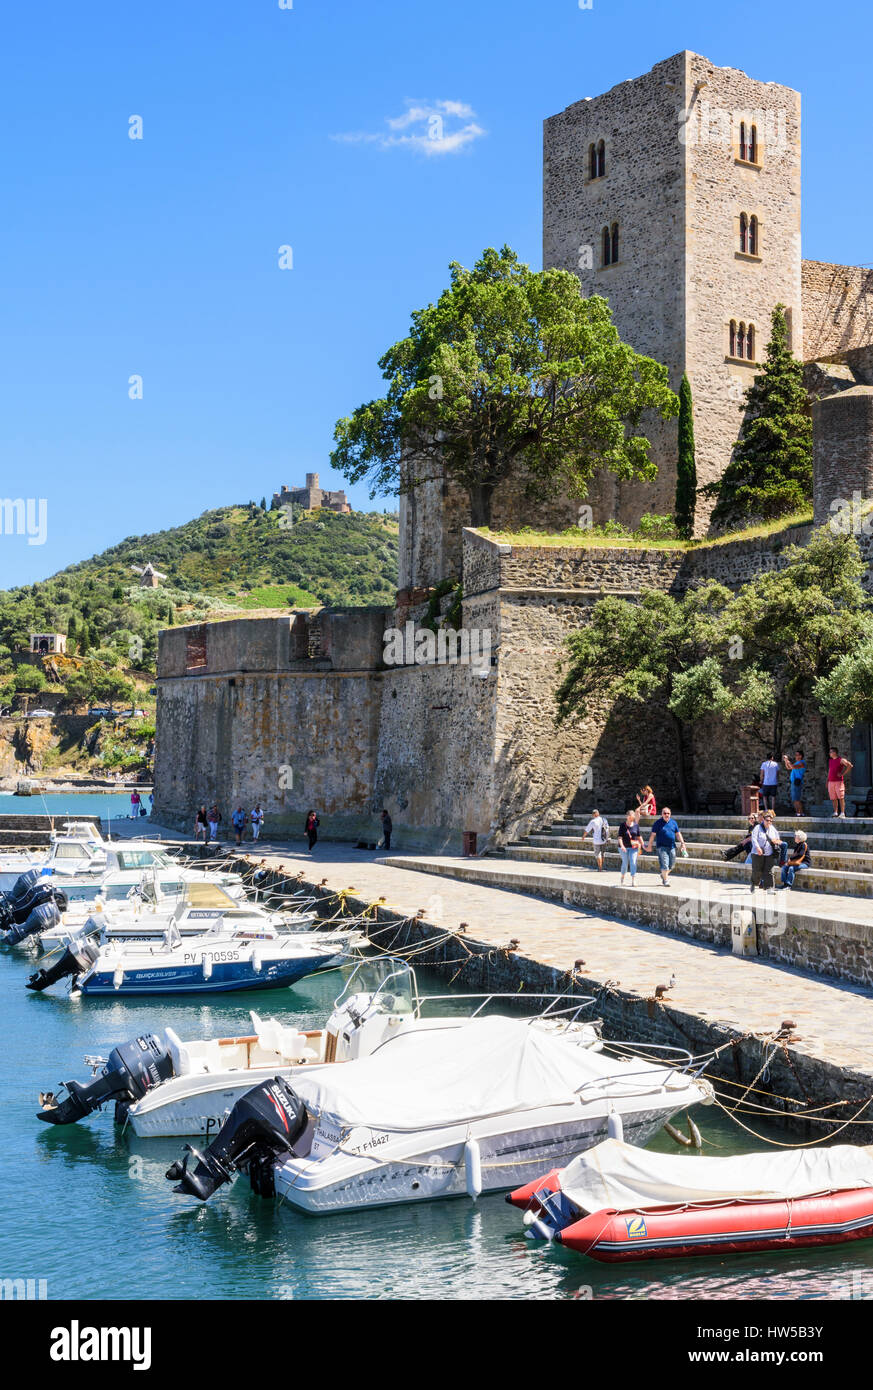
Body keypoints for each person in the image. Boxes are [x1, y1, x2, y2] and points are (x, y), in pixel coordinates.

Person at [646, 807, 686, 886]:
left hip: (672, 846)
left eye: (668, 813)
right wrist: (649, 846)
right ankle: (665, 880)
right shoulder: (657, 823)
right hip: (662, 847)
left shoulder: (673, 822)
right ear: (662, 814)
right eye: (664, 813)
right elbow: (652, 835)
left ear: (670, 814)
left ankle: (663, 875)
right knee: (665, 865)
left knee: (672, 865)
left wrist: (682, 843)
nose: (666, 815)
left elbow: (678, 834)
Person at [750, 811, 779, 892]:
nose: (769, 822)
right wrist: (758, 848)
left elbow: (777, 838)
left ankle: (769, 888)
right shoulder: (757, 828)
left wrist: (777, 842)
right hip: (757, 853)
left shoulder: (772, 828)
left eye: (770, 821)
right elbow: (754, 838)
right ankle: (753, 883)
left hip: (769, 853)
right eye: (767, 820)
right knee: (757, 871)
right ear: (763, 820)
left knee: (769, 871)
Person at [617, 810, 642, 886]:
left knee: (633, 862)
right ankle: (622, 877)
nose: (632, 818)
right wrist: (622, 846)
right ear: (627, 816)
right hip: (623, 847)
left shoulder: (636, 825)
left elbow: (638, 836)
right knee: (625, 863)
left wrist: (642, 844)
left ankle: (633, 880)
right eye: (631, 816)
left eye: (633, 816)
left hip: (633, 847)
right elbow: (620, 838)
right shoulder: (622, 825)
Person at [828, 746, 853, 818]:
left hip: (838, 781)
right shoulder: (830, 760)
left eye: (830, 752)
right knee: (833, 798)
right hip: (831, 782)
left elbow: (850, 765)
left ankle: (842, 813)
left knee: (841, 797)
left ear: (835, 752)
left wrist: (842, 774)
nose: (829, 753)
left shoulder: (841, 760)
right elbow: (830, 770)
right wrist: (827, 781)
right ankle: (835, 812)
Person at [783, 750, 806, 816]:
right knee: (794, 798)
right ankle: (798, 813)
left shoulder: (802, 763)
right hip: (794, 782)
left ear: (801, 756)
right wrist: (786, 761)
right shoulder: (796, 763)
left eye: (797, 755)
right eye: (795, 755)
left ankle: (801, 813)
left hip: (797, 782)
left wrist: (787, 760)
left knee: (797, 798)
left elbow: (792, 766)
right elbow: (788, 767)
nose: (796, 756)